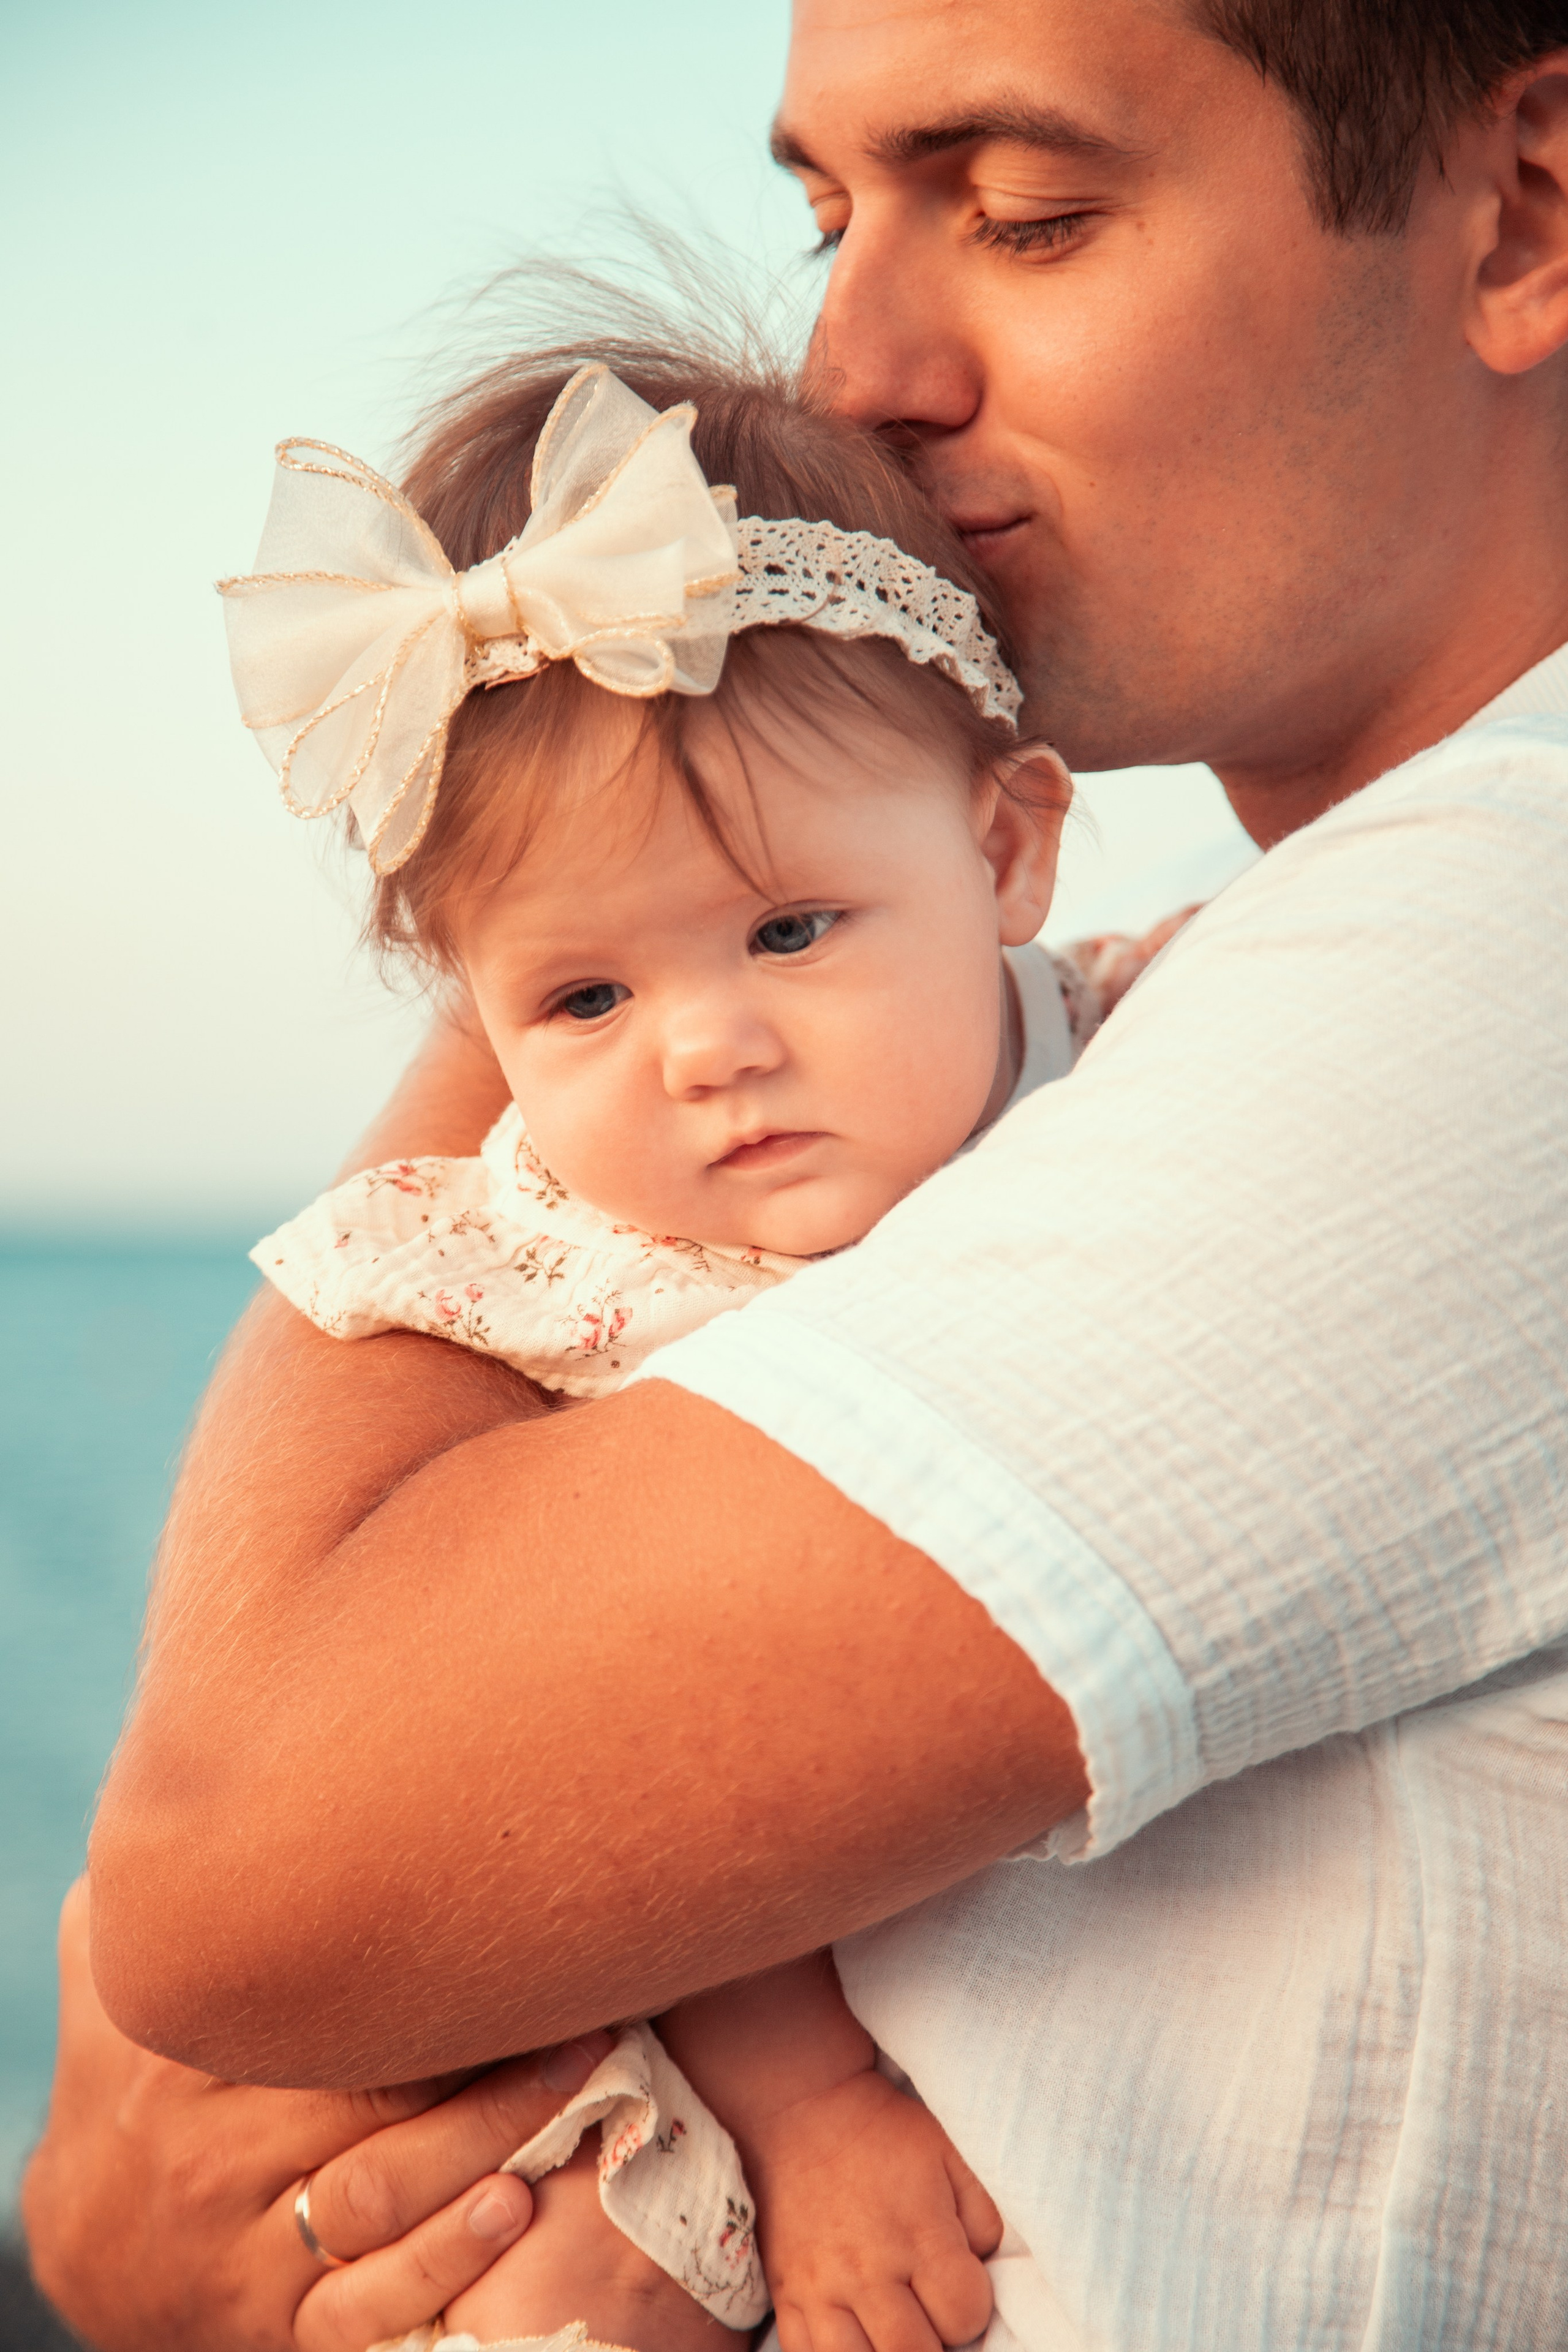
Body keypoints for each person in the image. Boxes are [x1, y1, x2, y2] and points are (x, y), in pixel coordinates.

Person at [25, 1, 1568, 2346]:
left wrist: (593, 856)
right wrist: (629, 834)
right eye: (830, 221)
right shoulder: (1201, 993)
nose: (852, 371)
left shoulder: (1492, 953)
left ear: (1525, 211)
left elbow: (228, 1887)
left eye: (1027, 214)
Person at [226, 346, 1082, 2352]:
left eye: (789, 931)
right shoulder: (577, 1279)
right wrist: (809, 2107)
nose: (706, 1050)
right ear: (474, 1012)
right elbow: (600, 1772)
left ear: (1006, 852)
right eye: (585, 997)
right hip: (667, 2028)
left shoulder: (1149, 1081)